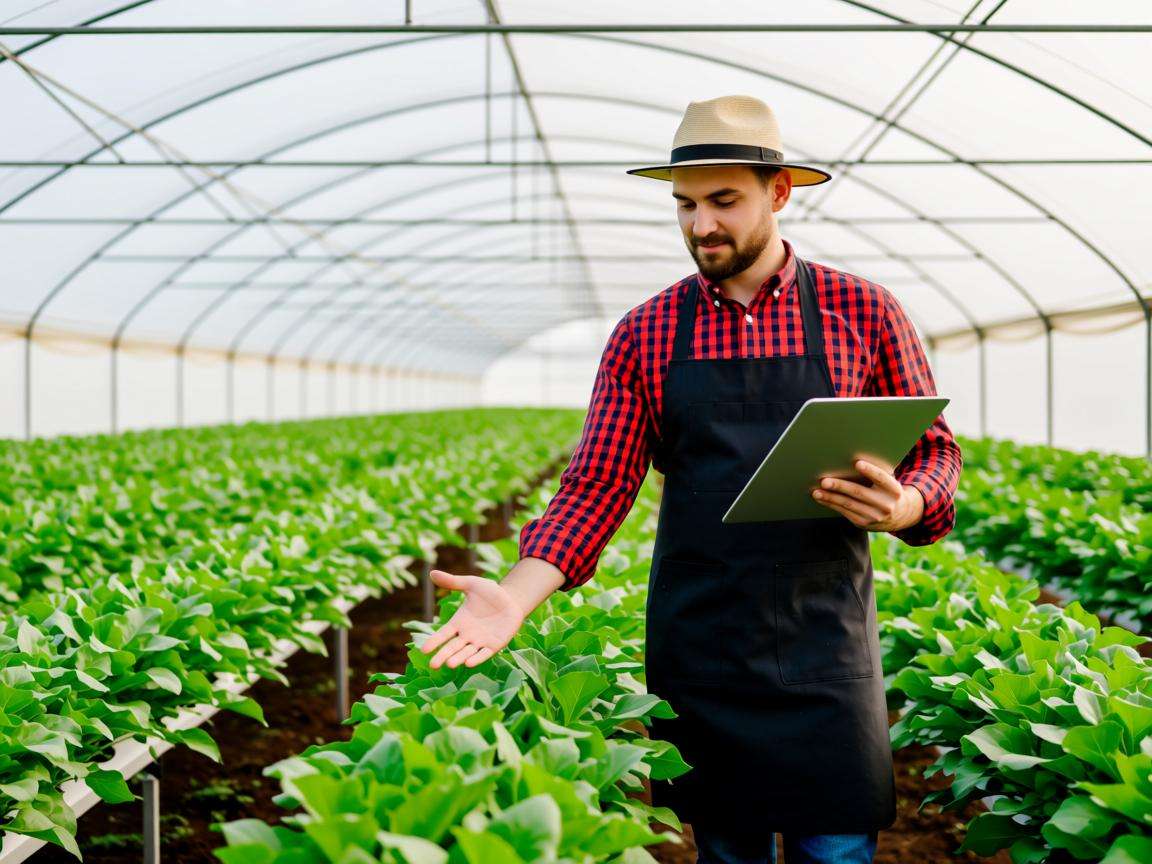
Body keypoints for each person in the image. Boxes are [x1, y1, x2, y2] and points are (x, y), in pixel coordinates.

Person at [418, 94, 962, 864]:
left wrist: (906, 503)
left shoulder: (865, 312)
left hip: (827, 648)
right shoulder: (646, 331)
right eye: (685, 204)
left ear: (779, 193)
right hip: (705, 652)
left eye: (724, 201)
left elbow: (936, 453)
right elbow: (594, 488)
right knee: (728, 854)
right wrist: (514, 595)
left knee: (836, 853)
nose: (701, 225)